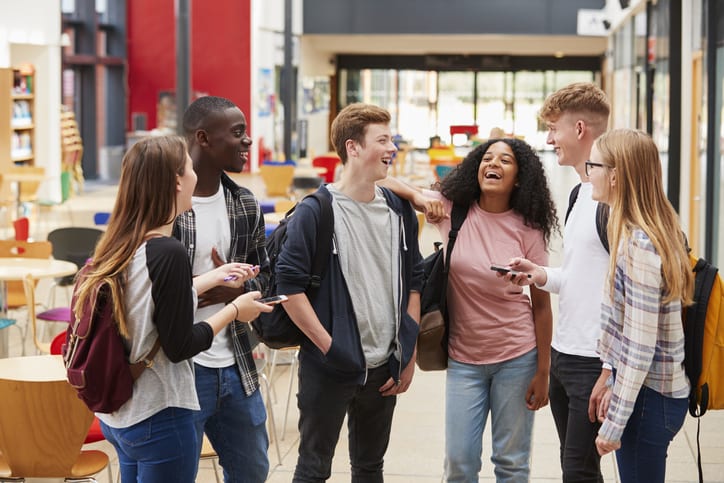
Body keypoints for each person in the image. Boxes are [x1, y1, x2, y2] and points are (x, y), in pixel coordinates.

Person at [75, 135, 272, 482]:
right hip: (160, 415)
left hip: (120, 417)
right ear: (177, 181)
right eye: (191, 167)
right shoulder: (168, 252)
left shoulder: (122, 243)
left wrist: (212, 277)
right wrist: (235, 311)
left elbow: (147, 305)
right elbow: (181, 345)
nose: (197, 175)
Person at [385, 137, 557, 482]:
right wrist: (420, 197)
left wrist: (543, 371)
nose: (493, 164)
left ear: (519, 177)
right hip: (464, 359)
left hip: (517, 356)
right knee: (460, 463)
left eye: (505, 160)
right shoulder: (453, 209)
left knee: (511, 463)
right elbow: (379, 179)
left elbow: (541, 305)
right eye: (487, 157)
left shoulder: (529, 228)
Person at [276, 102, 423, 482]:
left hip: (384, 368)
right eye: (383, 139)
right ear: (353, 147)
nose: (392, 148)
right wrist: (330, 348)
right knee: (313, 468)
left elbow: (415, 280)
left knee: (370, 468)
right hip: (330, 367)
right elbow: (288, 287)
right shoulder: (316, 211)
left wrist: (408, 352)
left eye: (392, 138)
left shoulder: (398, 209)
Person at [507, 82, 612, 482]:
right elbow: (583, 276)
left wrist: (611, 368)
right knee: (579, 469)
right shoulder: (579, 194)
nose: (549, 139)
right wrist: (542, 275)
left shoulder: (613, 200)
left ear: (580, 128)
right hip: (565, 353)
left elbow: (627, 287)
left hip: (594, 359)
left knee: (579, 471)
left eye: (554, 128)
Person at [173, 95, 272, 482]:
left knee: (252, 471)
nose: (248, 141)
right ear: (203, 139)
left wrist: (236, 292)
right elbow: (142, 289)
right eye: (237, 133)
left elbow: (267, 278)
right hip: (182, 368)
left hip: (236, 364)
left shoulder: (245, 204)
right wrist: (201, 286)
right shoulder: (166, 205)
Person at [586, 129, 692, 482]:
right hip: (651, 394)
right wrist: (609, 375)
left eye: (594, 165)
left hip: (650, 400)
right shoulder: (647, 232)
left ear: (616, 175)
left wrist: (614, 424)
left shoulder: (641, 247)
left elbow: (639, 345)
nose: (589, 174)